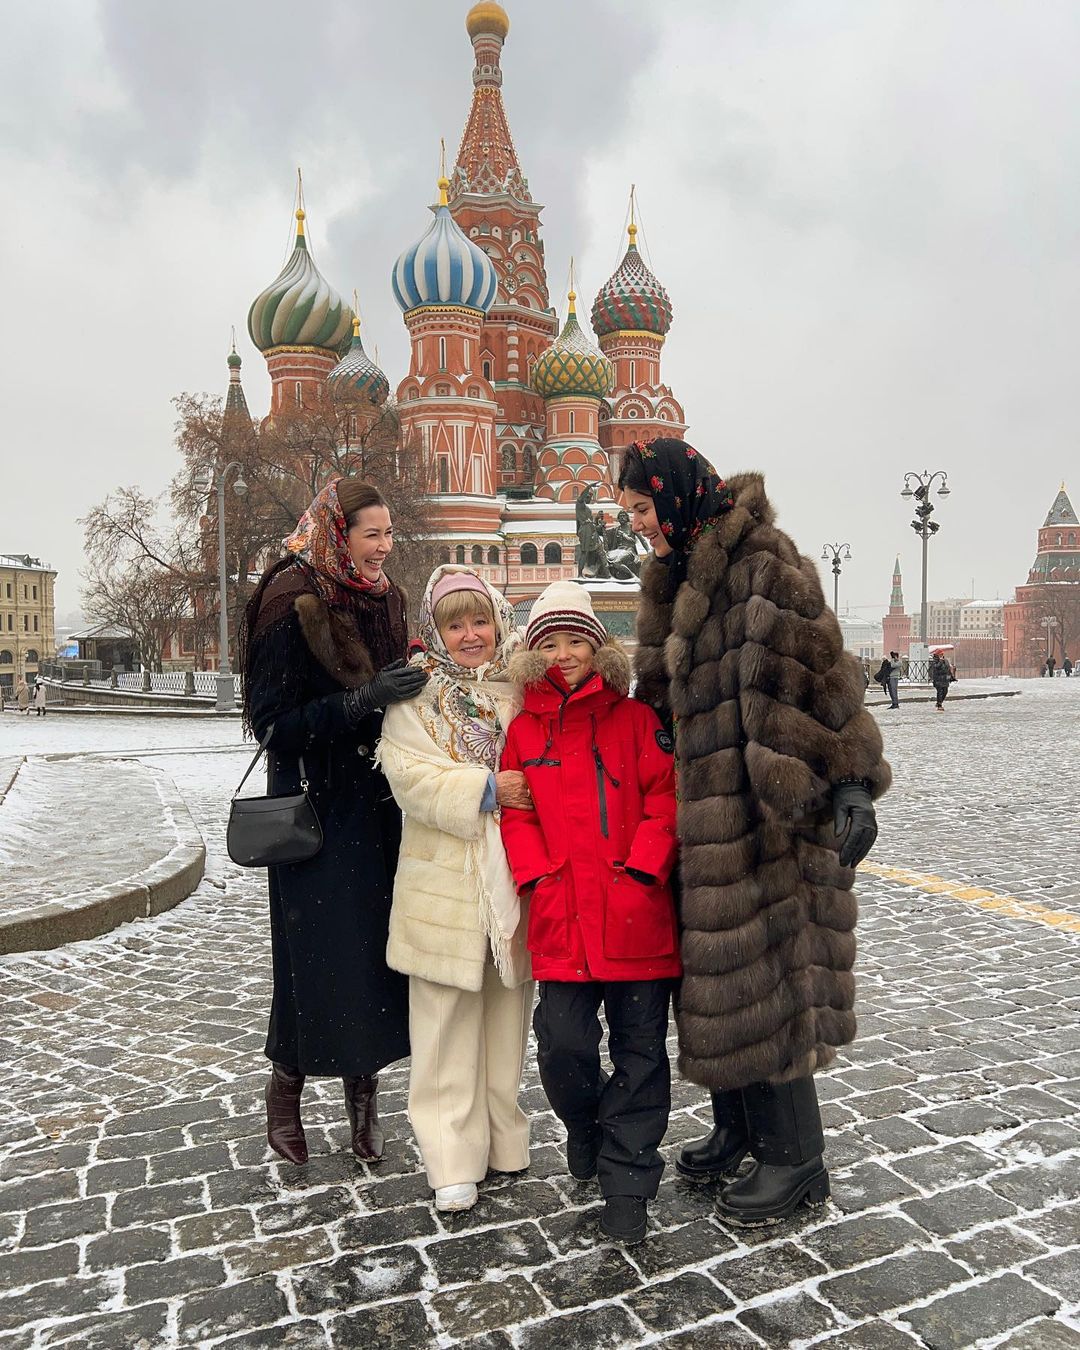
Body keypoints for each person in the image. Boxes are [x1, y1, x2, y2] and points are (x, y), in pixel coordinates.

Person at [619, 438, 889, 1226]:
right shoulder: (674, 575)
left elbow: (823, 674)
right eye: (631, 511)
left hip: (768, 814)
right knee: (719, 980)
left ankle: (796, 1158)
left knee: (772, 987)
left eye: (641, 509)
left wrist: (848, 782)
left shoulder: (766, 564)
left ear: (675, 497)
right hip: (702, 812)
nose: (636, 525)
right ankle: (738, 1130)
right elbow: (660, 689)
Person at [238, 477, 428, 1168]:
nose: (384, 547)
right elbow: (272, 725)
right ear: (336, 533)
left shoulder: (387, 599)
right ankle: (284, 1090)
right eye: (371, 534)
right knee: (311, 961)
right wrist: (362, 701)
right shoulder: (292, 601)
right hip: (315, 811)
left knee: (376, 958)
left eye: (387, 533)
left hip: (380, 806)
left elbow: (392, 700)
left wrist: (412, 686)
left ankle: (363, 1101)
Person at [500, 581, 680, 1245]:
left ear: (598, 650)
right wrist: (537, 877)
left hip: (635, 917)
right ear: (533, 653)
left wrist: (642, 868)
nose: (565, 653)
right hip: (561, 918)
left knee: (640, 1054)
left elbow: (666, 799)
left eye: (577, 640)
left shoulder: (634, 722)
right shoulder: (522, 731)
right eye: (551, 642)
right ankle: (585, 1125)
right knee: (563, 1045)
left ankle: (628, 1186)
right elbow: (517, 818)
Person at [377, 567, 534, 1213]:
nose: (470, 635)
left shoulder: (518, 689)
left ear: (497, 620)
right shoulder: (416, 695)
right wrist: (486, 790)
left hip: (514, 879)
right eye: (455, 623)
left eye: (479, 620)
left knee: (506, 1021)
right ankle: (449, 1157)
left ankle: (503, 1138)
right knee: (443, 1025)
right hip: (443, 880)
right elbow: (406, 774)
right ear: (436, 632)